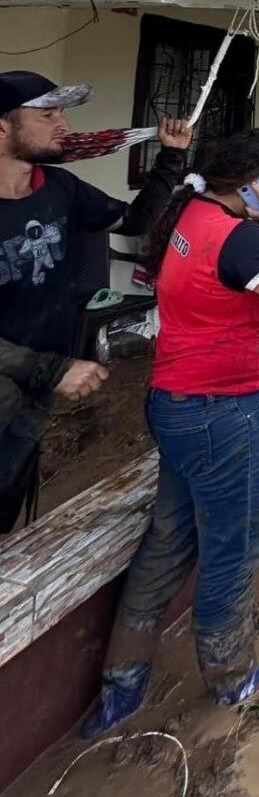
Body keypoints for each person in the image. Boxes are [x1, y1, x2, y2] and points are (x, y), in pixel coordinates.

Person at [81, 128, 259, 738]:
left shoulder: (192, 210)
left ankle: (123, 681)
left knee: (170, 536)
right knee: (235, 544)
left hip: (178, 402)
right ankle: (230, 673)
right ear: (256, 186)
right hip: (226, 412)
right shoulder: (240, 241)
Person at [0, 69, 192, 532]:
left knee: (7, 499)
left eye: (62, 112)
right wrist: (54, 369)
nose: (62, 124)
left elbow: (135, 222)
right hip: (17, 378)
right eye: (47, 114)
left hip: (39, 388)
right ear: (3, 126)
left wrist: (171, 159)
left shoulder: (61, 189)